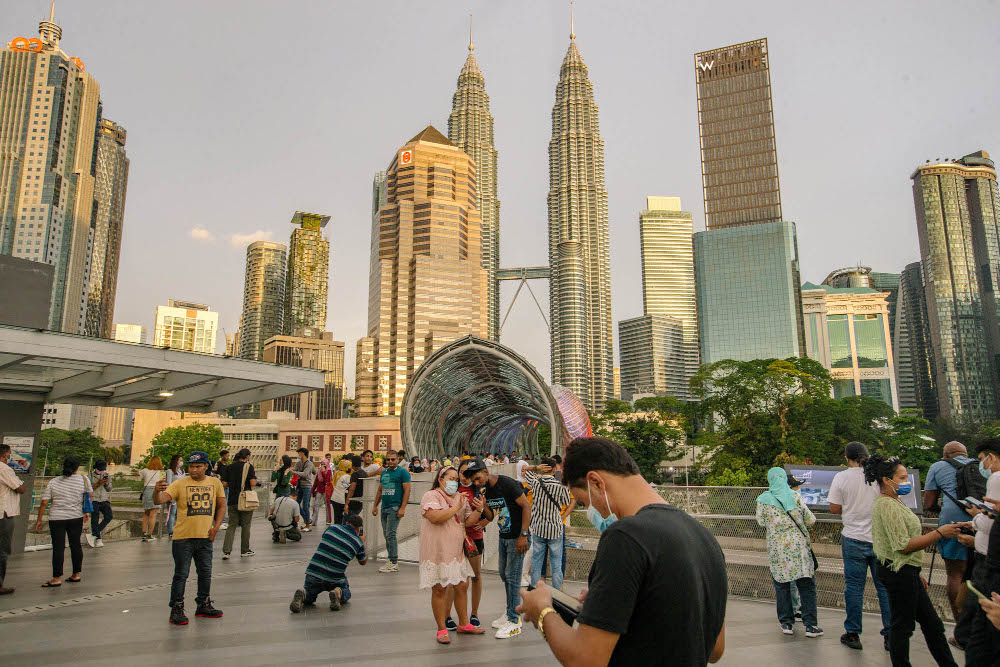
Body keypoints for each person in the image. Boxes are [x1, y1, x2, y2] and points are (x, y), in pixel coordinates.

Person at [517, 437, 727, 665]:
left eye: (583, 501)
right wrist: (615, 604)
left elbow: (585, 661)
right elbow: (715, 649)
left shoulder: (625, 536)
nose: (592, 509)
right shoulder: (705, 537)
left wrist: (543, 611)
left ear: (596, 482)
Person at [866, 453, 961, 667]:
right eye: (901, 478)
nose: (906, 481)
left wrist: (916, 572)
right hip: (899, 572)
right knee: (903, 626)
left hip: (907, 571)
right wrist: (940, 533)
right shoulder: (886, 505)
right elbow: (902, 545)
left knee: (932, 624)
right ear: (886, 480)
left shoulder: (894, 502)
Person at [828, 441, 892, 650]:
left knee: (854, 587)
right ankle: (890, 635)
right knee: (884, 588)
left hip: (853, 538)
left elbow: (835, 508)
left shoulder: (842, 477)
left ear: (847, 458)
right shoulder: (878, 475)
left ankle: (853, 633)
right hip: (879, 539)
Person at [154, 451, 225, 625]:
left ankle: (203, 604)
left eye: (198, 466)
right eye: (191, 466)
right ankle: (176, 608)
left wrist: (216, 528)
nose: (194, 470)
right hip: (183, 538)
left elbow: (222, 506)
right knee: (181, 574)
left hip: (205, 536)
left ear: (206, 466)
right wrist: (156, 491)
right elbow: (159, 500)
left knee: (205, 573)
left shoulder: (215, 483)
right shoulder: (179, 484)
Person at [463, 458, 531, 639]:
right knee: (504, 575)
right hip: (504, 536)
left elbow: (526, 506)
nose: (476, 483)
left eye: (478, 478)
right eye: (474, 481)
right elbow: (492, 515)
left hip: (518, 537)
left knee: (513, 577)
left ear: (486, 472)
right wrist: (483, 507)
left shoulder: (506, 483)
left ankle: (515, 621)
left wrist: (523, 535)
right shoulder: (484, 490)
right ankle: (510, 613)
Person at [420, 466, 487, 644]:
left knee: (462, 585)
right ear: (441, 479)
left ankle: (464, 623)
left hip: (456, 549)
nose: (454, 482)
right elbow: (435, 517)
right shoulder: (431, 496)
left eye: (456, 479)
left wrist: (478, 510)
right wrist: (456, 506)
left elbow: (467, 521)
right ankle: (442, 628)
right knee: (440, 588)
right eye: (450, 478)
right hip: (438, 551)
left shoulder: (460, 497)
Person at [755, 467, 822, 638]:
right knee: (806, 586)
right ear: (784, 479)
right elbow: (811, 520)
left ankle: (786, 623)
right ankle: (810, 626)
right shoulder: (795, 497)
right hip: (798, 548)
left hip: (778, 549)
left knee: (782, 585)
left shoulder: (763, 500)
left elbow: (761, 522)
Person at [924, 441, 975, 634]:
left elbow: (928, 503)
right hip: (979, 521)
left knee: (955, 574)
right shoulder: (978, 465)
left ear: (945, 454)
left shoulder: (938, 467)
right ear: (965, 453)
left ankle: (961, 629)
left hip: (952, 523)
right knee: (979, 573)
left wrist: (943, 507)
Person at [445, 459, 493, 631]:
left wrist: (485, 521)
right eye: (462, 473)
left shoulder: (480, 489)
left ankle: (474, 614)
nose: (465, 477)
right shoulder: (451, 489)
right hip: (455, 537)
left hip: (474, 537)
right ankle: (447, 615)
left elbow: (492, 509)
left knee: (476, 575)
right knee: (453, 577)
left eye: (469, 474)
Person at [963, 439, 1000, 665]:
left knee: (981, 638)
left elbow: (989, 523)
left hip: (990, 566)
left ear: (991, 457)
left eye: (981, 460)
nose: (982, 467)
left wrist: (977, 516)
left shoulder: (997, 477)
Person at [290, 514, 367, 614]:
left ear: (347, 522)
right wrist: (362, 542)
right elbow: (363, 561)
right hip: (334, 578)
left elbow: (325, 538)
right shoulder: (358, 542)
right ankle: (338, 592)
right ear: (359, 528)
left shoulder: (332, 527)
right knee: (346, 591)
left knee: (309, 596)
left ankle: (304, 593)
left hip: (314, 573)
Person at [35, 456, 92, 587]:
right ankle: (76, 574)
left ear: (63, 466)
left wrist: (39, 519)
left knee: (58, 547)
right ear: (77, 468)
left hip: (57, 518)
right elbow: (89, 496)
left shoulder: (54, 481)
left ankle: (56, 578)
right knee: (75, 545)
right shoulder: (83, 479)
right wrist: (86, 512)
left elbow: (44, 502)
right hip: (76, 517)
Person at [524, 458, 573, 591]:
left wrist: (535, 468)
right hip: (555, 529)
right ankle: (557, 595)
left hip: (538, 528)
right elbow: (566, 501)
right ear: (554, 469)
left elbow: (524, 470)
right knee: (556, 564)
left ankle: (535, 591)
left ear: (543, 468)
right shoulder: (560, 485)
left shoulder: (536, 482)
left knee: (537, 563)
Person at [372, 450, 412, 573]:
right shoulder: (384, 472)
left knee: (391, 535)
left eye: (392, 459)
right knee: (387, 535)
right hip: (384, 507)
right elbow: (380, 490)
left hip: (395, 508)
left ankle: (394, 562)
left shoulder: (403, 472)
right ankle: (391, 560)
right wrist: (375, 506)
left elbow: (407, 490)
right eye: (388, 459)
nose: (390, 462)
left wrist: (403, 508)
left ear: (397, 460)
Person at [222, 448, 258, 560]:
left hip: (232, 499)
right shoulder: (249, 467)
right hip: (245, 500)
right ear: (247, 456)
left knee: (231, 526)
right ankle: (245, 550)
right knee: (246, 525)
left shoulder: (230, 467)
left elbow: (224, 483)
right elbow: (252, 482)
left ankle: (227, 551)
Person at [0, 444, 26, 595]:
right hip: (4, 513)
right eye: (9, 454)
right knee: (2, 550)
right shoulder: (4, 469)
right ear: (6, 455)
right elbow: (20, 488)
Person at [86, 460, 113, 548]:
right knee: (95, 519)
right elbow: (89, 489)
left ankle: (94, 534)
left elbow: (109, 489)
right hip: (94, 499)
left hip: (104, 499)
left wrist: (106, 483)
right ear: (96, 468)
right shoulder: (89, 476)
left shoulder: (107, 475)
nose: (101, 471)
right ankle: (98, 538)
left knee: (109, 516)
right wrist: (98, 483)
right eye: (100, 469)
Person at [140, 456, 164, 541]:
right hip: (156, 491)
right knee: (153, 514)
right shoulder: (161, 471)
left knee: (146, 513)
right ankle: (149, 535)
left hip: (146, 491)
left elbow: (138, 474)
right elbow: (163, 482)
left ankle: (143, 533)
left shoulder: (145, 470)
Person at [292, 448, 315, 532]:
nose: (298, 454)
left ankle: (308, 525)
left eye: (299, 453)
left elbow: (305, 474)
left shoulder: (309, 463)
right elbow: (294, 469)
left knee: (305, 505)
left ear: (303, 453)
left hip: (307, 486)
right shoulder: (298, 463)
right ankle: (306, 520)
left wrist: (293, 472)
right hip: (299, 485)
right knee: (297, 503)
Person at [165, 454, 185, 537]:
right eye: (180, 460)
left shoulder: (181, 471)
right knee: (172, 513)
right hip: (173, 495)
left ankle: (179, 529)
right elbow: (169, 483)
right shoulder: (170, 471)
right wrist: (170, 495)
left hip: (181, 494)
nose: (181, 462)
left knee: (180, 513)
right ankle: (171, 531)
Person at [312, 459, 333, 526]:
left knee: (327, 505)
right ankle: (313, 521)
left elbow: (326, 482)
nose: (322, 465)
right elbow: (316, 481)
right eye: (321, 464)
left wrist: (323, 472)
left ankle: (328, 521)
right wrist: (312, 490)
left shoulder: (329, 471)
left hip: (326, 491)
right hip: (319, 490)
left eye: (324, 464)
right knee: (316, 505)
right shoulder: (318, 471)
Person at [331, 458, 352, 524]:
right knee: (341, 519)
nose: (350, 468)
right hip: (341, 500)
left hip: (334, 498)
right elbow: (348, 487)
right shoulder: (346, 476)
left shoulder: (337, 473)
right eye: (349, 467)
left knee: (336, 518)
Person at [215, 449, 231, 529]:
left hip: (226, 486)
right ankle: (222, 521)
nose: (228, 457)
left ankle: (222, 521)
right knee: (222, 504)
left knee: (224, 503)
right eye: (227, 456)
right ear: (222, 456)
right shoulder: (219, 465)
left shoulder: (225, 465)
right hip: (221, 486)